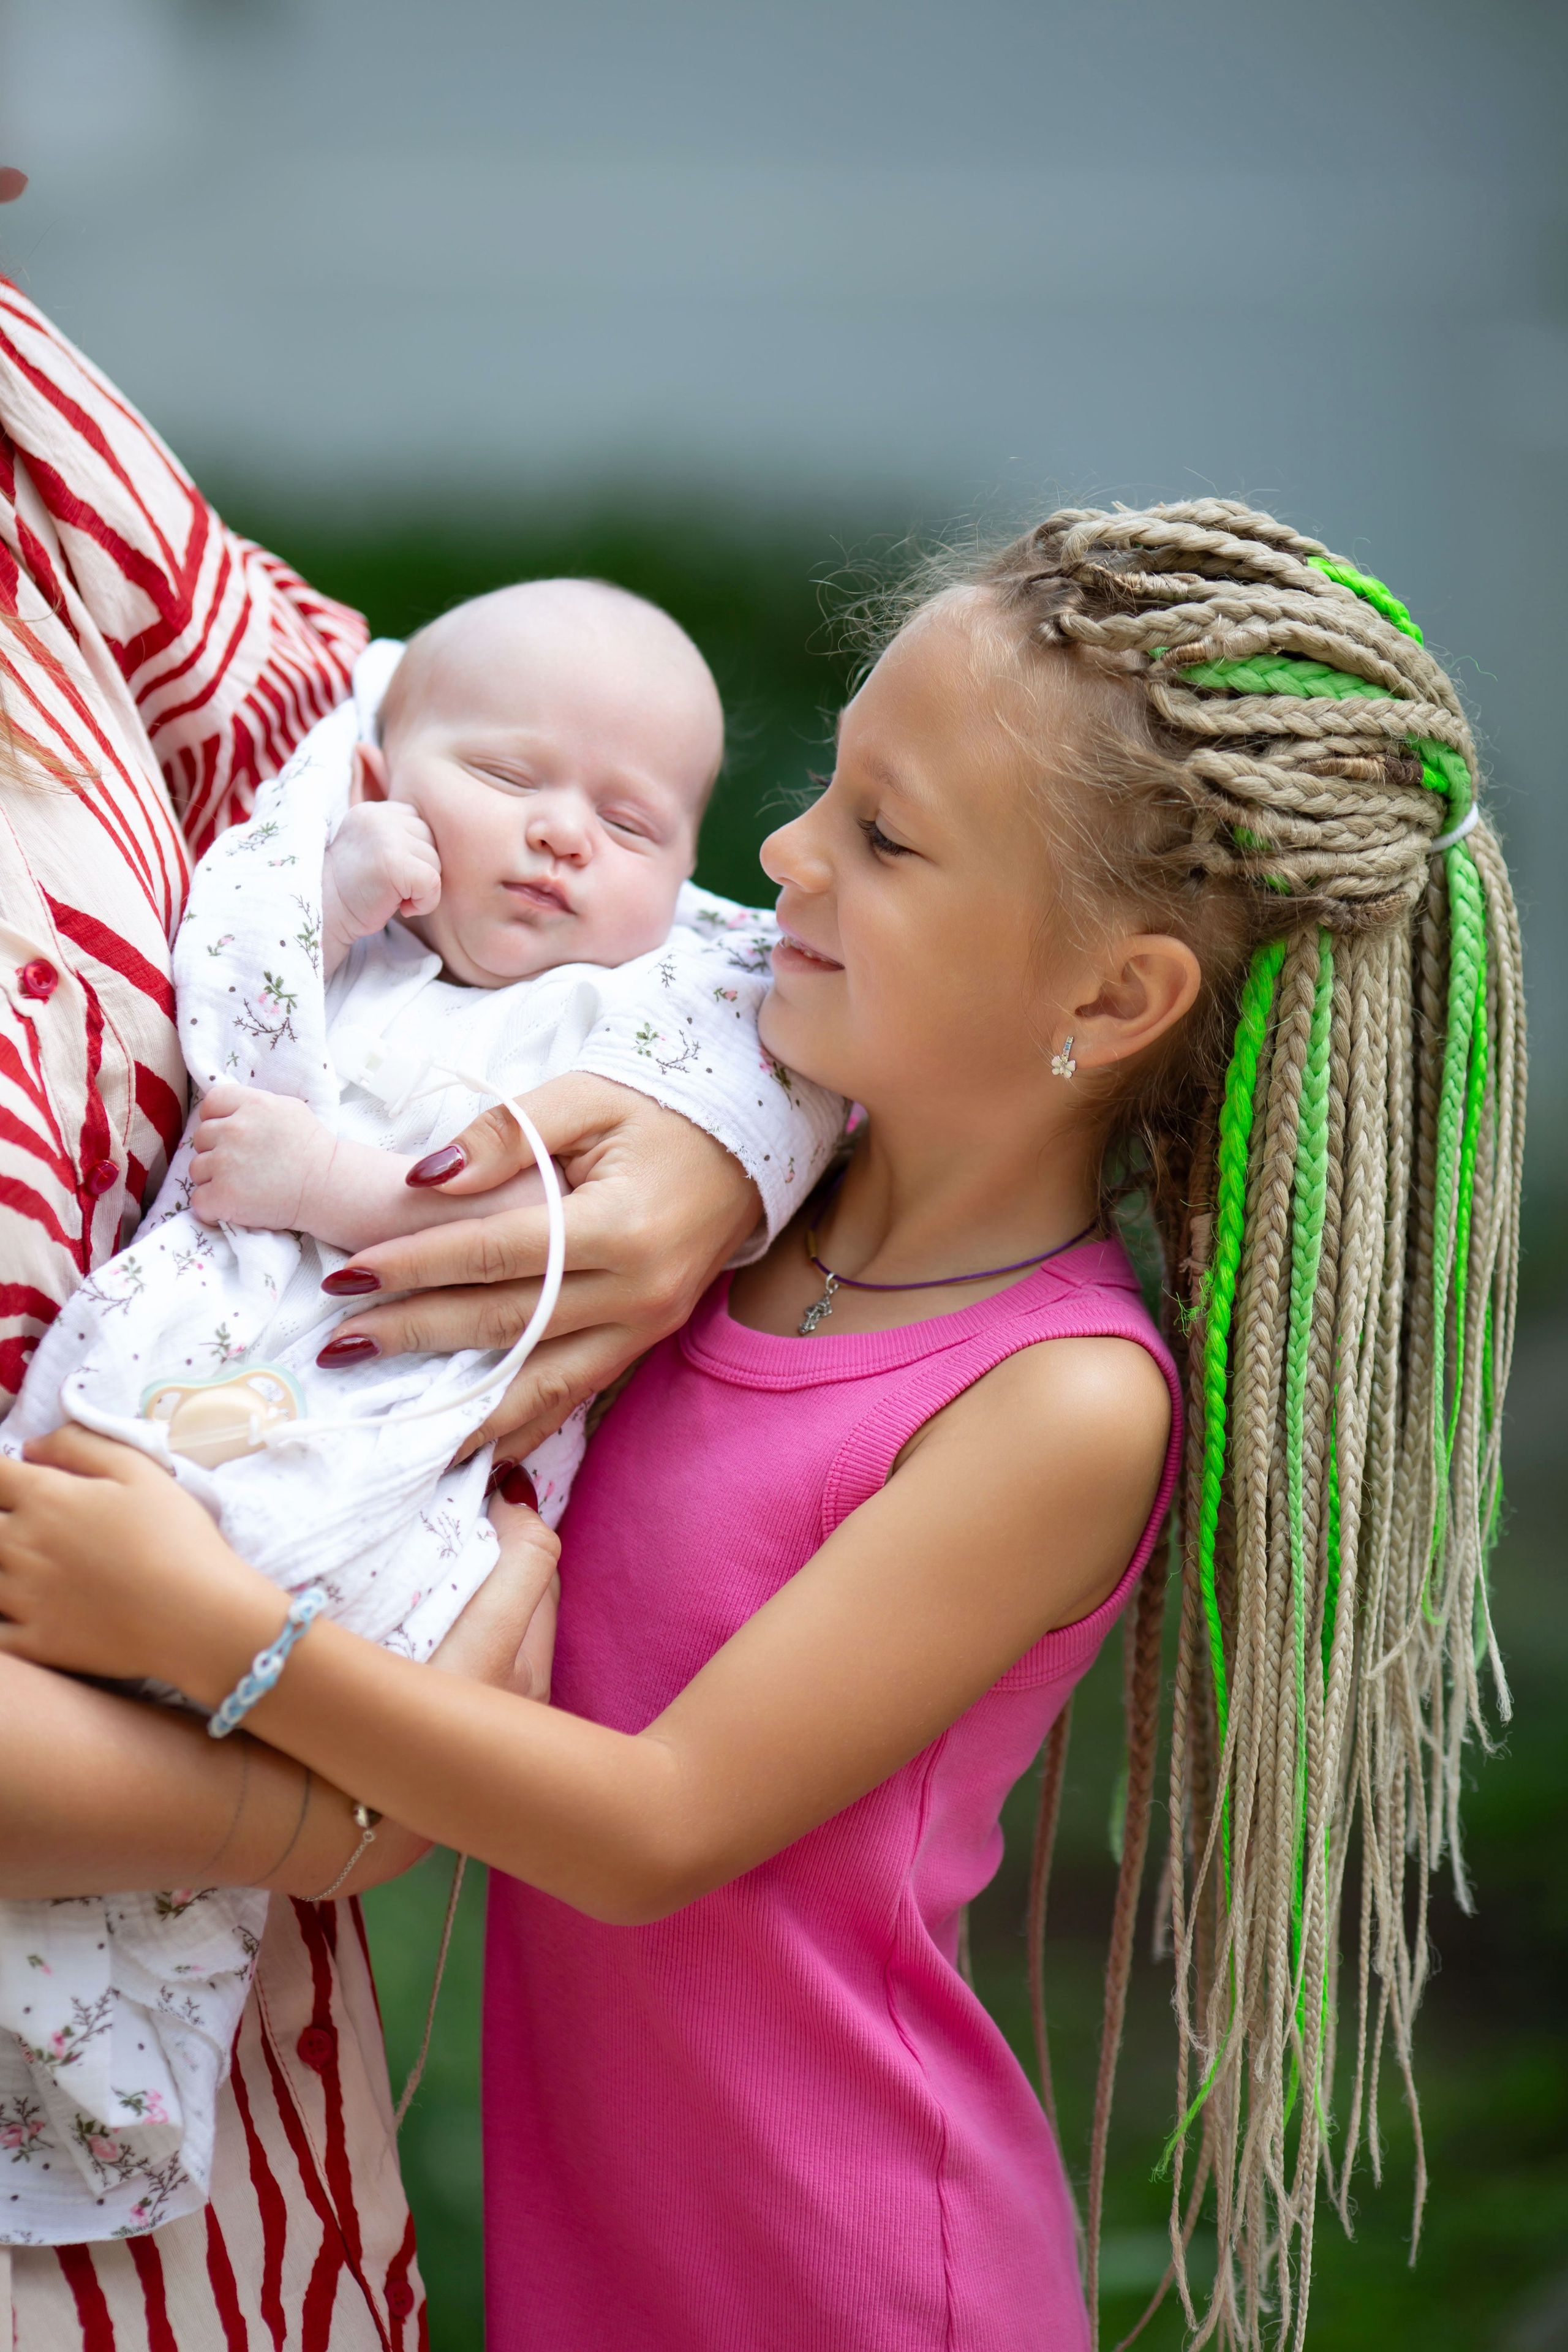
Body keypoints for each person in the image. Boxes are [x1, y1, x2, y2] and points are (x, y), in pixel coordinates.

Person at [3, 502, 1520, 2351]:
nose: (785, 850)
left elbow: (655, 1825)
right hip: (593, 2241)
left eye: (883, 838)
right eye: (827, 788)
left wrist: (212, 1633)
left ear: (1113, 997)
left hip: (841, 2266)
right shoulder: (739, 1201)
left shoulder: (1060, 1400)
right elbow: (410, 719)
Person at [0, 269, 826, 2345]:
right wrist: (322, 1795)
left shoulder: (34, 442)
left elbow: (409, 709)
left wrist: (707, 1138)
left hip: (231, 2193)